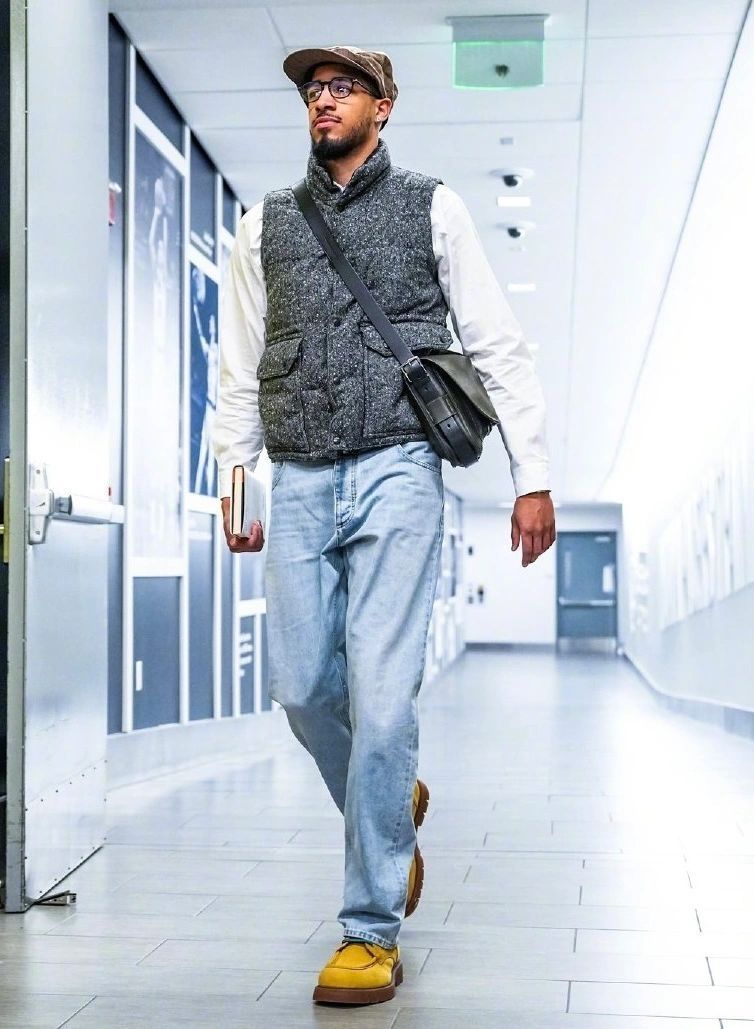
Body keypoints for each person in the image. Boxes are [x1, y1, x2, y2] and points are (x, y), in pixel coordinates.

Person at [212, 44, 555, 1007]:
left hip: (401, 468)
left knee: (384, 697)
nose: (323, 101)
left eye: (342, 88)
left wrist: (533, 475)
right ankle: (391, 801)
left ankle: (370, 929)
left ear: (384, 106)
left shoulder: (432, 206)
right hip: (298, 474)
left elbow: (498, 344)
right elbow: (239, 365)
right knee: (299, 686)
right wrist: (235, 481)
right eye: (313, 91)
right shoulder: (264, 224)